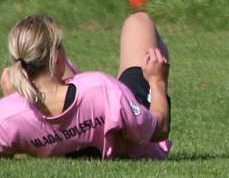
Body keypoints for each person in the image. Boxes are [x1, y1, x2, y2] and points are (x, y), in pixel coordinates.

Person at [0, 12, 171, 159]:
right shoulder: (103, 89)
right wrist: (157, 81)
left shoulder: (7, 116)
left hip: (78, 114)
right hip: (126, 134)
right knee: (138, 23)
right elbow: (158, 130)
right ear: (55, 56)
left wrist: (13, 100)